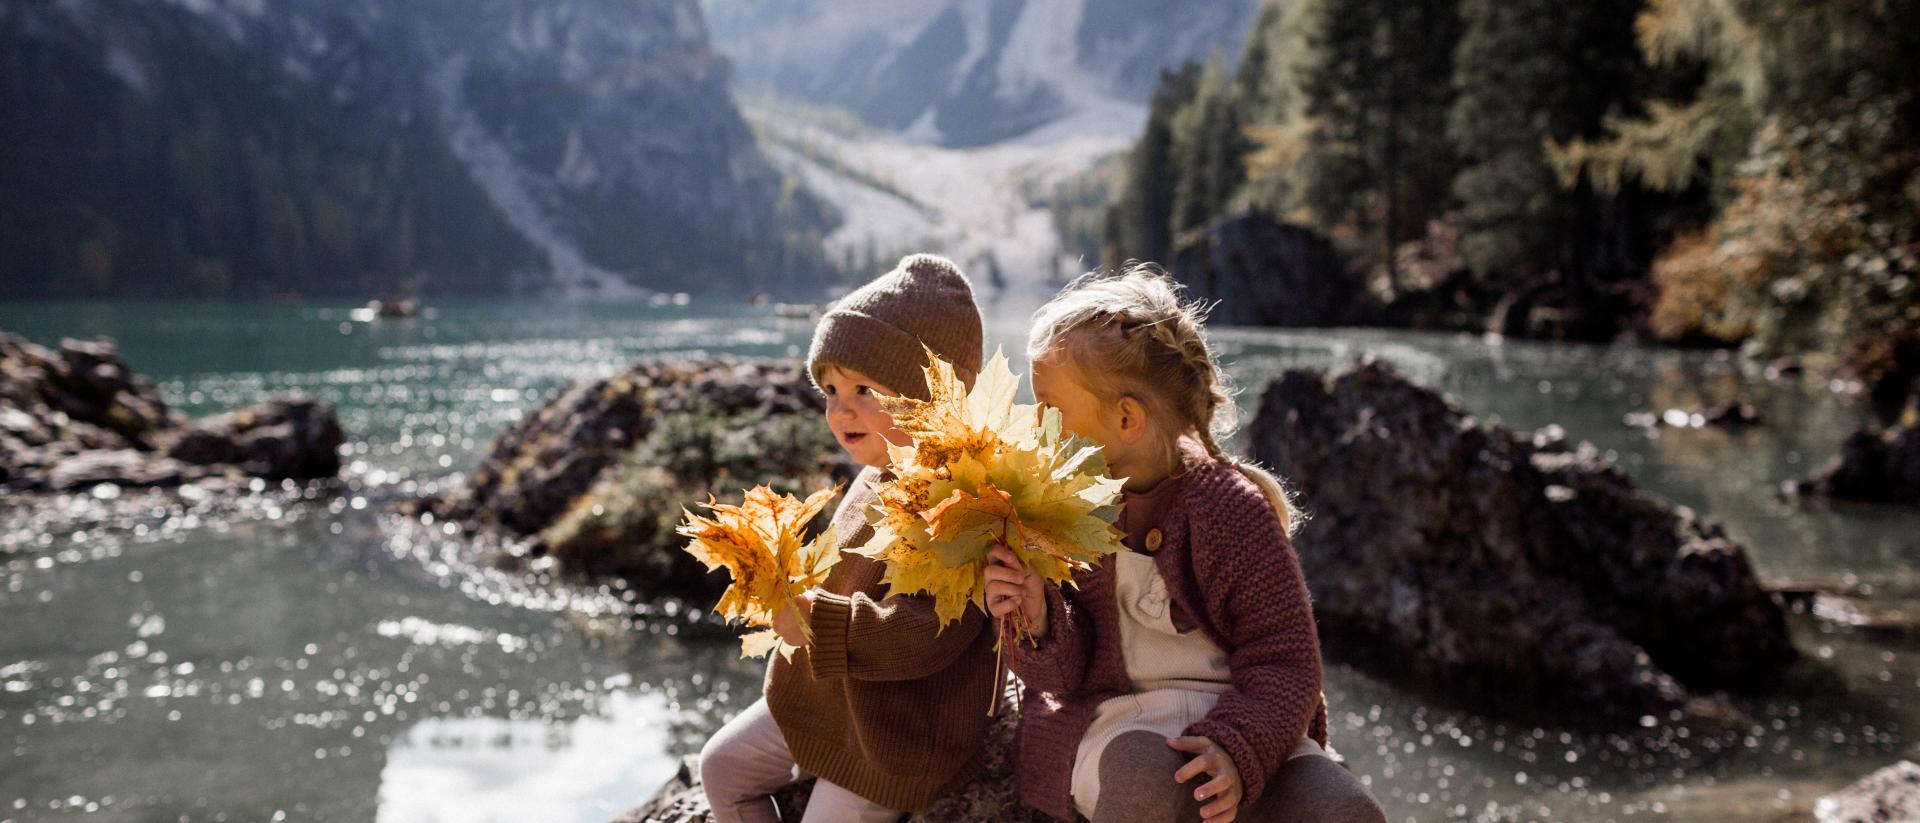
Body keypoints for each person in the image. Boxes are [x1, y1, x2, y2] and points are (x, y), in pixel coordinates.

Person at [987, 264, 1385, 823]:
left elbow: (1286, 660)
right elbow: (1062, 678)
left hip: (1243, 723)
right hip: (1116, 722)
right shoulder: (1052, 507)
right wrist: (1037, 618)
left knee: (1343, 809)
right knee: (1147, 779)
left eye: (1050, 409)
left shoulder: (1229, 509)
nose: (1035, 427)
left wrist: (1235, 751)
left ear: (1127, 418)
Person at [697, 254, 998, 823]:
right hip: (831, 702)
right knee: (722, 770)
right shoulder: (876, 473)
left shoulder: (958, 502)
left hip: (898, 733)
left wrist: (820, 620)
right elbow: (843, 573)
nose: (841, 409)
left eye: (865, 388)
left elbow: (931, 631)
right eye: (830, 390)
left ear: (932, 397)